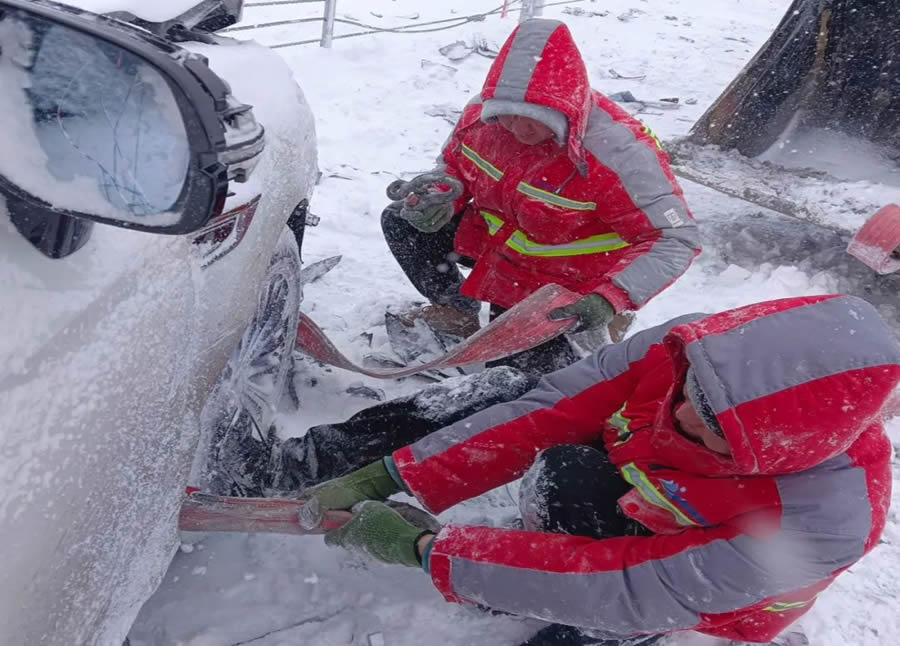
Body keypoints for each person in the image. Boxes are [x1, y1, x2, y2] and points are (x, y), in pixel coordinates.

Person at [281, 294, 899, 646]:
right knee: (565, 468)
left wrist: (427, 551)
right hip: (656, 506)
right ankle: (522, 577)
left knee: (588, 621)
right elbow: (550, 412)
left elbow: (636, 588)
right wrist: (393, 476)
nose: (681, 410)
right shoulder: (695, 351)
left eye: (713, 423)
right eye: (691, 388)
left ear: (775, 448)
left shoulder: (825, 517)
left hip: (708, 601)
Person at [382, 18, 700, 374]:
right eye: (507, 116)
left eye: (534, 117)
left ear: (564, 109)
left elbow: (676, 238)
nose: (518, 128)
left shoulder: (618, 154)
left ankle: (606, 323)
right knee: (402, 221)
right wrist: (440, 197)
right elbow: (455, 166)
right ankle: (457, 312)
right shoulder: (482, 117)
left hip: (566, 280)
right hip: (504, 249)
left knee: (514, 379)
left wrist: (611, 296)